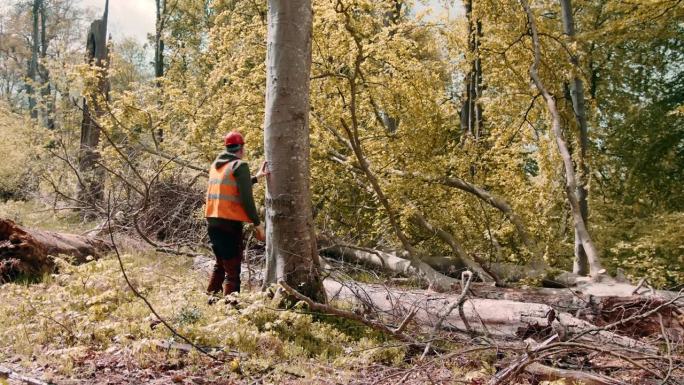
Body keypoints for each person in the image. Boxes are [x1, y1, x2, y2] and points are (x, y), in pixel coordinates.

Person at [205, 131, 267, 297]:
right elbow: (246, 198)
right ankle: (231, 307)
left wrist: (256, 177)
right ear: (242, 148)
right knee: (233, 270)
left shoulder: (216, 166)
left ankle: (211, 299)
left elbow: (232, 186)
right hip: (229, 224)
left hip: (212, 222)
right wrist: (257, 223)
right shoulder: (240, 166)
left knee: (220, 264)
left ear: (227, 148)